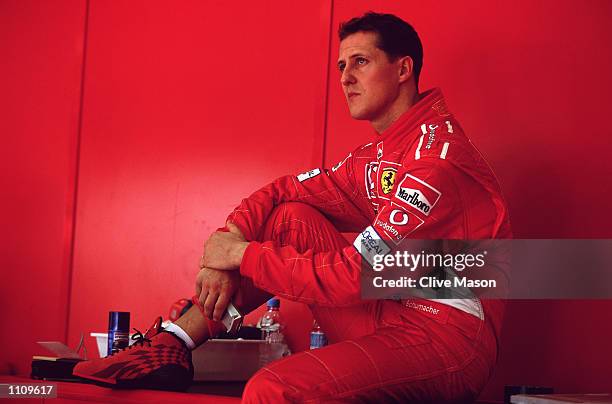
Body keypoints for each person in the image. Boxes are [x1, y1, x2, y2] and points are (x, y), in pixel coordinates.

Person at [73, 12, 511, 402]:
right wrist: (228, 240)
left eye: (360, 61)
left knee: (272, 389)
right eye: (341, 66)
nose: (344, 77)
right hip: (387, 314)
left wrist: (242, 255)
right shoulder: (382, 155)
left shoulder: (435, 162)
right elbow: (285, 191)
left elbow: (352, 275)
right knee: (289, 219)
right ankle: (174, 342)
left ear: (403, 69)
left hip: (445, 339)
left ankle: (176, 340)